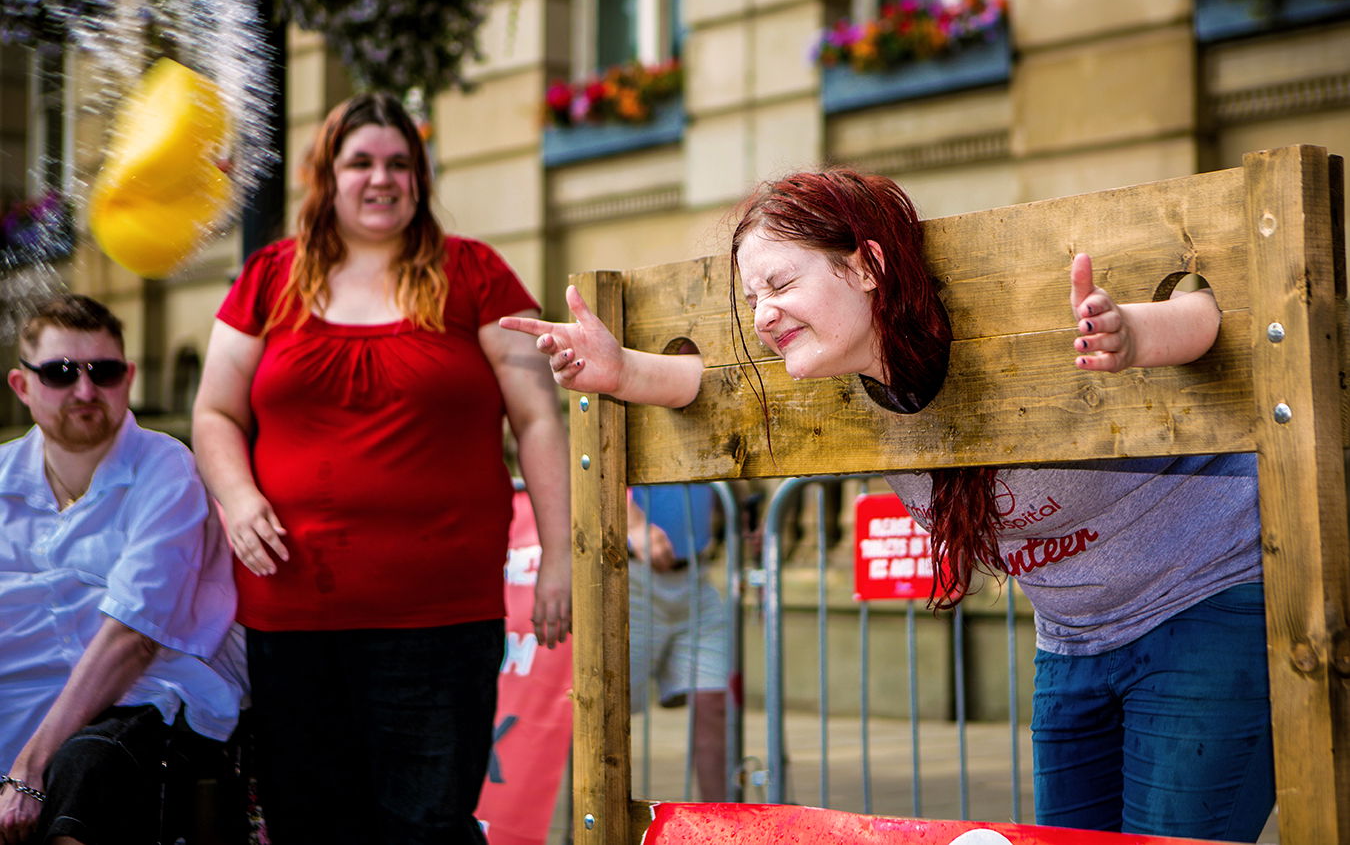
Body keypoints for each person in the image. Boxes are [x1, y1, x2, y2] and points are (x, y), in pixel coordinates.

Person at [501, 169, 1273, 841]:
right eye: (751, 297)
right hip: (1071, 639)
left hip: (1206, 604)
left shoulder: (1041, 327)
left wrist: (1131, 334)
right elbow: (711, 387)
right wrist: (621, 369)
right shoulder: (836, 384)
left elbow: (1214, 317)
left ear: (868, 266)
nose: (762, 314)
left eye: (781, 284)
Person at [192, 92, 571, 845]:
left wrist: (561, 555)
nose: (381, 178)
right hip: (292, 613)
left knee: (427, 826)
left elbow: (536, 417)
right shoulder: (270, 277)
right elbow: (215, 413)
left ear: (421, 177)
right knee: (308, 826)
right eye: (359, 161)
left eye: (400, 163)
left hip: (438, 617)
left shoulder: (476, 273)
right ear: (326, 176)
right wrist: (236, 498)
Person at [1, 294, 243, 845]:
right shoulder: (1, 478)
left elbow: (131, 641)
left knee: (86, 771)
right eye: (61, 373)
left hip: (140, 703)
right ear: (22, 386)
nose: (85, 391)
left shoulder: (166, 470)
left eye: (103, 372)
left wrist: (30, 770)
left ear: (127, 378)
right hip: (19, 708)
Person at [627, 484, 729, 802]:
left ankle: (720, 826)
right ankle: (591, 828)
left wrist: (739, 518)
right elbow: (582, 461)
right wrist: (631, 523)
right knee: (607, 710)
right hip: (629, 574)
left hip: (697, 575)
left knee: (714, 703)